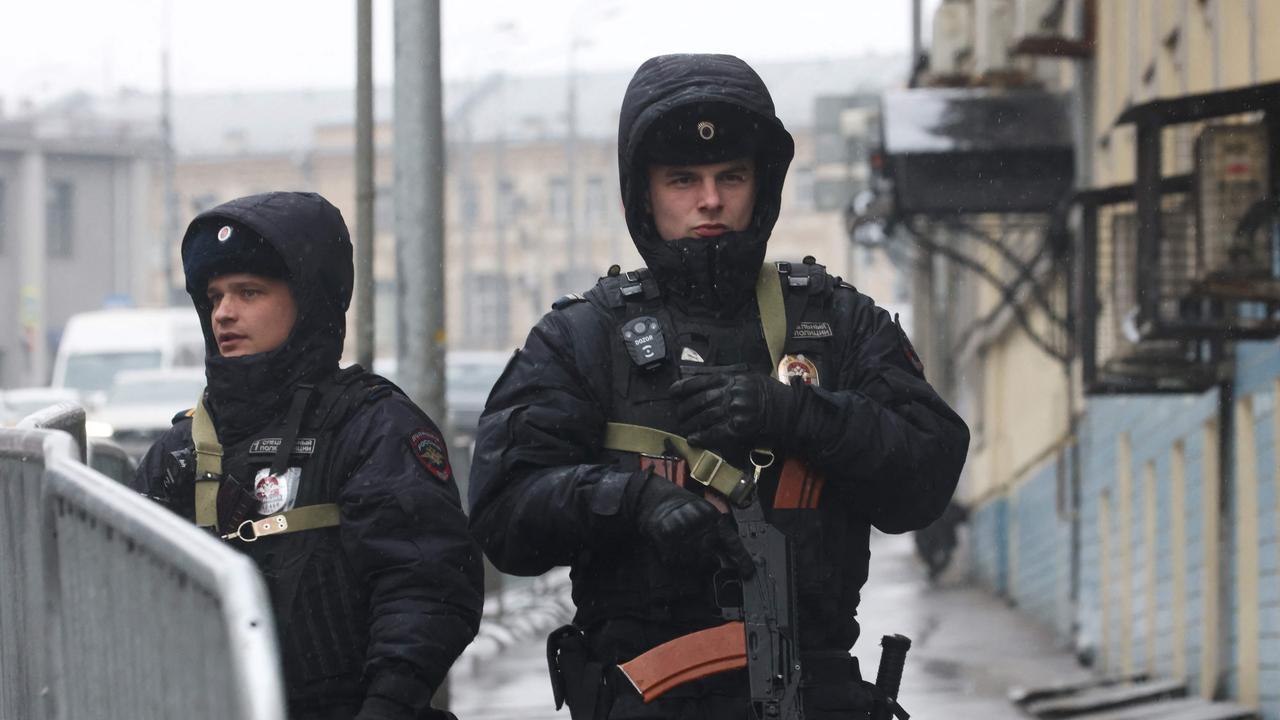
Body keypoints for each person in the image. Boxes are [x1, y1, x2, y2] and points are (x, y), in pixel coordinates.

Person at [467, 54, 970, 719]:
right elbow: (504, 518)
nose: (710, 200)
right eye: (683, 179)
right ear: (641, 194)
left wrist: (794, 413)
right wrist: (629, 501)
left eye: (730, 176)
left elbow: (927, 475)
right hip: (645, 694)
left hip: (814, 694)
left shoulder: (832, 323)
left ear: (760, 187)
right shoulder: (585, 338)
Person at [133, 191, 484, 720]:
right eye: (215, 297)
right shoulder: (184, 448)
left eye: (249, 292)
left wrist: (387, 703)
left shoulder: (371, 427)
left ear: (309, 301)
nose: (224, 313)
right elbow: (124, 602)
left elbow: (425, 586)